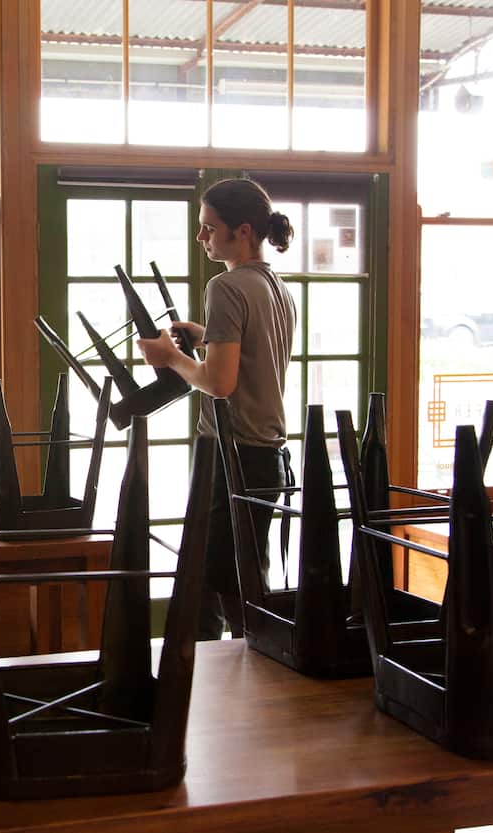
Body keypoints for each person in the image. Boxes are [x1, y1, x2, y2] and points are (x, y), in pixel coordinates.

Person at [136, 178, 296, 640]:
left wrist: (171, 357)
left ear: (242, 231)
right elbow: (255, 352)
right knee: (223, 575)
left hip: (234, 454)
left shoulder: (225, 286)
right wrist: (205, 335)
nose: (201, 237)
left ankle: (238, 683)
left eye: (209, 228)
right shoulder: (276, 287)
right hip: (266, 454)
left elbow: (219, 383)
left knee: (229, 585)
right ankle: (213, 685)